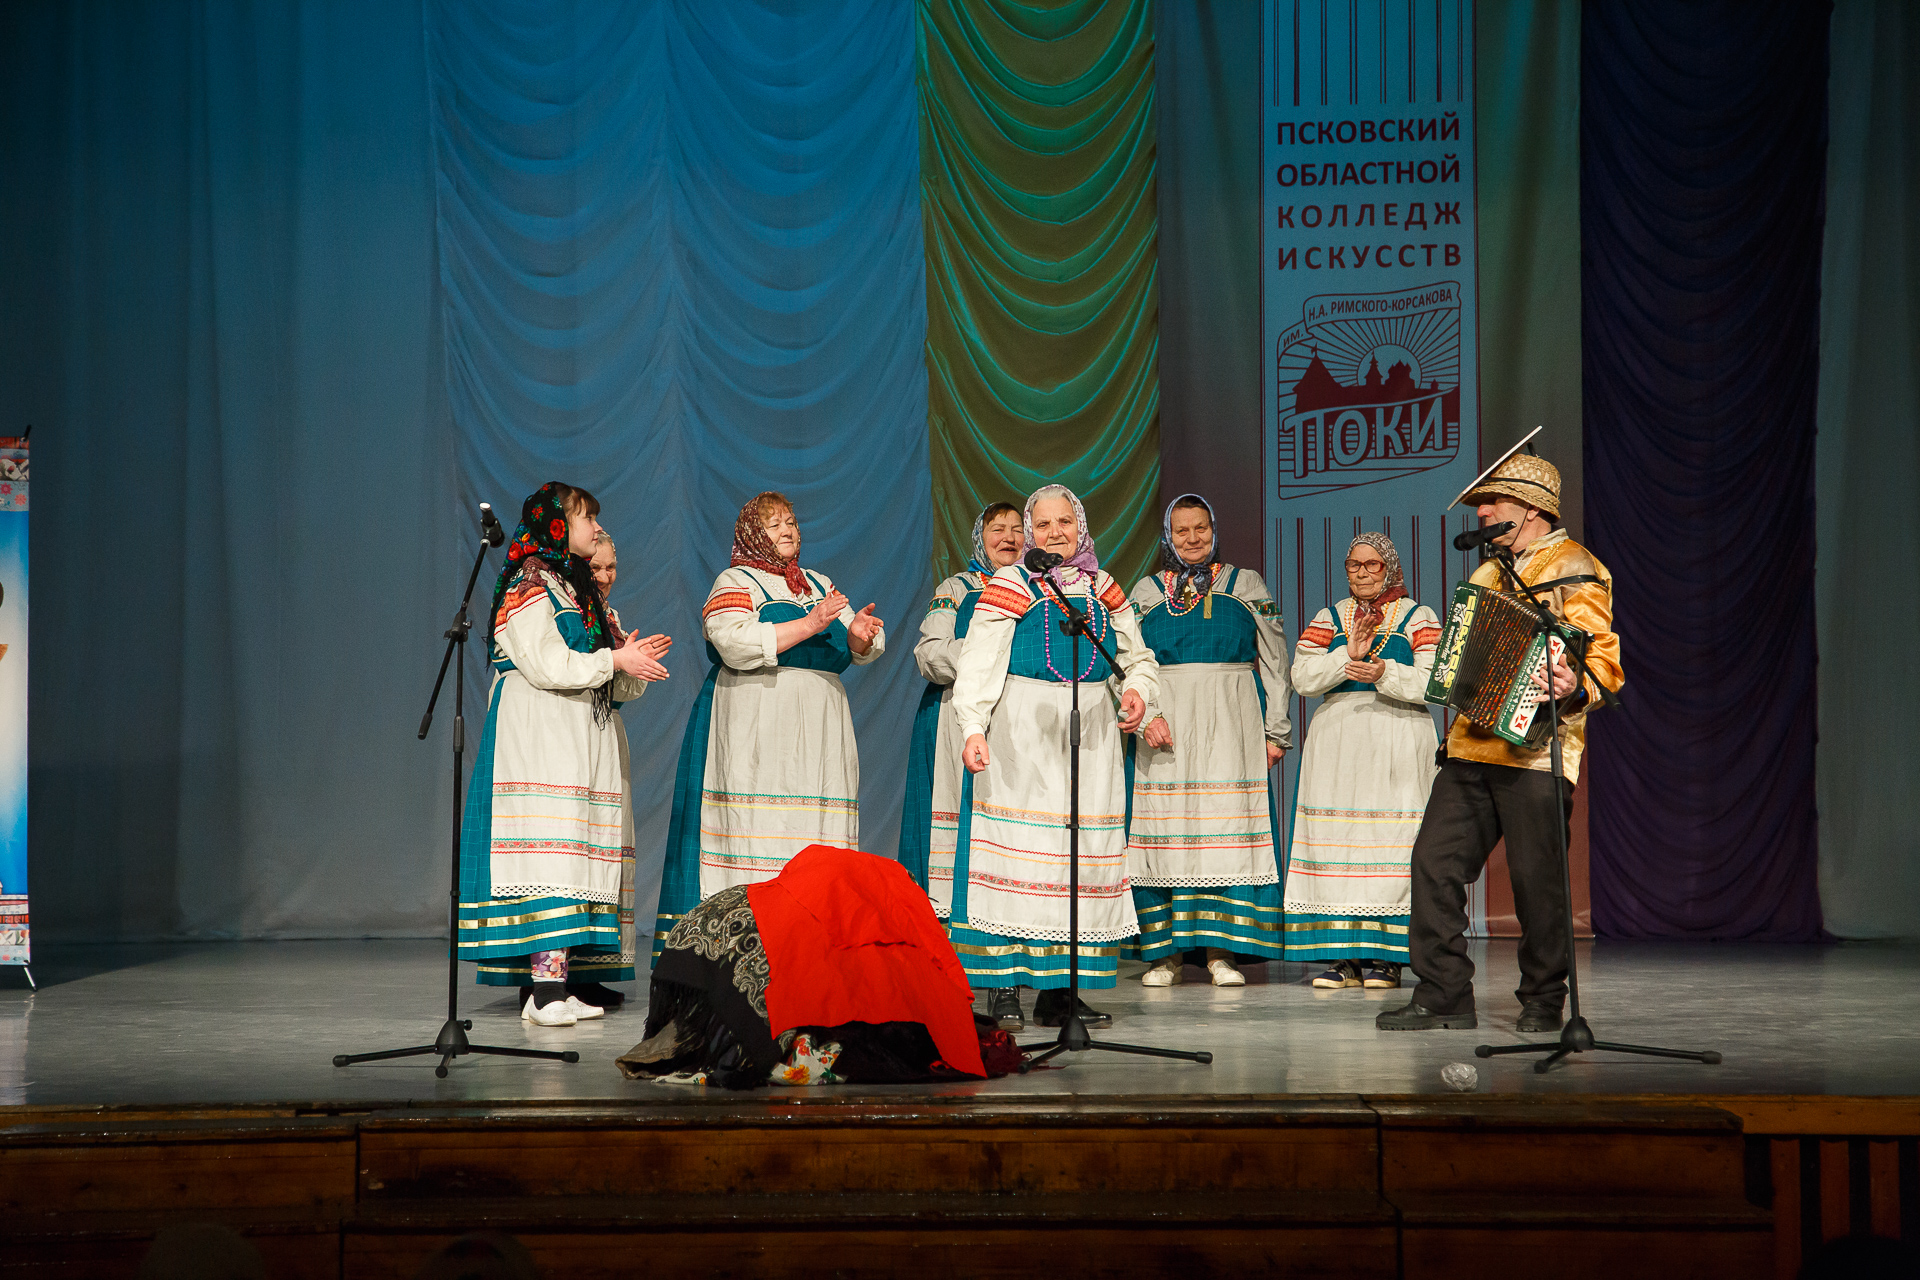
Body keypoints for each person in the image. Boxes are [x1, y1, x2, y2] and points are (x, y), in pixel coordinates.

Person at [1376, 453, 1624, 1032]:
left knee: (1538, 881)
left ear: (1531, 509)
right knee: (1433, 862)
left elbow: (1602, 658)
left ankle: (1544, 997)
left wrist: (1574, 682)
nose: (1482, 512)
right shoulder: (1488, 574)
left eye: (1493, 502)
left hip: (1537, 750)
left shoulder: (1575, 565)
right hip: (1470, 746)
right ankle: (1444, 992)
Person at [457, 483, 671, 1028]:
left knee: (572, 854)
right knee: (548, 856)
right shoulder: (529, 585)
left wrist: (629, 662)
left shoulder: (574, 589)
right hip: (539, 732)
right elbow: (549, 664)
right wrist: (614, 660)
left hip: (576, 733)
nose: (596, 528)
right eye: (585, 518)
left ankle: (558, 984)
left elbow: (601, 674)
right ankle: (543, 994)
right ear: (555, 524)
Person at [949, 484, 1159, 1031]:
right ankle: (1003, 986)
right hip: (1022, 733)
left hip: (1091, 733)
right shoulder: (1011, 582)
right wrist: (973, 726)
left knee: (1076, 859)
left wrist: (1138, 693)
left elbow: (1136, 657)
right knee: (1016, 858)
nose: (1054, 533)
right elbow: (979, 661)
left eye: (1064, 522)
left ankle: (1060, 991)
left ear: (1080, 526)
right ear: (1030, 532)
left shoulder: (1103, 587)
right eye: (1041, 525)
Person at [654, 492, 885, 949]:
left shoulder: (817, 583)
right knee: (759, 829)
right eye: (774, 524)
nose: (787, 530)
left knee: (815, 831)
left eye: (791, 522)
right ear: (753, 535)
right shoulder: (736, 581)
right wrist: (809, 625)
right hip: (760, 717)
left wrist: (858, 636)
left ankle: (812, 943)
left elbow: (855, 644)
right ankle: (750, 943)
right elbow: (732, 641)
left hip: (821, 726)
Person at [1125, 494, 1293, 988]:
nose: (1192, 538)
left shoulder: (1246, 584)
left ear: (1213, 531)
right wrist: (1147, 718)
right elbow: (1126, 661)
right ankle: (1166, 955)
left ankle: (1222, 953)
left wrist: (1276, 730)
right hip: (1168, 720)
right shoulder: (1147, 590)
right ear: (1168, 536)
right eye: (1182, 530)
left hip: (1231, 720)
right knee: (1167, 834)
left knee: (1226, 832)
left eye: (1200, 528)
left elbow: (1275, 659)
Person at [1282, 533, 1439, 991]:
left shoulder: (1418, 616)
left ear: (1389, 567)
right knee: (1339, 845)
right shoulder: (1329, 617)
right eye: (1354, 565)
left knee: (1393, 844)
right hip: (1339, 741)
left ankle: (1388, 958)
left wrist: (1384, 671)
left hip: (1397, 733)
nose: (1363, 573)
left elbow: (1436, 680)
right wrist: (1346, 656)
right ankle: (1343, 956)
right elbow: (1301, 677)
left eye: (1373, 565)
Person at [899, 501, 1024, 917]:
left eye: (1017, 529)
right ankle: (951, 918)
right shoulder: (956, 589)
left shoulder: (1037, 590)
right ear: (979, 539)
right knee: (956, 808)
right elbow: (930, 653)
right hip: (956, 718)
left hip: (1017, 715)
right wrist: (987, 654)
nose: (1009, 538)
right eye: (997, 530)